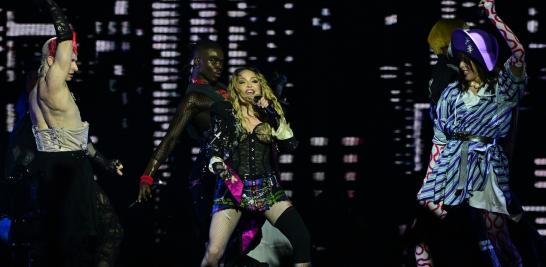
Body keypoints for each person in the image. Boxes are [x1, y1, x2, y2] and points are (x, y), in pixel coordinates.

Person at [417, 0, 526, 265]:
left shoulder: (497, 87)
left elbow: (519, 54)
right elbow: (440, 138)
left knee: (495, 233)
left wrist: (493, 16)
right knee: (426, 232)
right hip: (455, 164)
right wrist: (431, 180)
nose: (463, 64)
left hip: (484, 166)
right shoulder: (450, 86)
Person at [29, 0, 122, 266]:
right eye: (71, 60)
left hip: (53, 169)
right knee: (89, 241)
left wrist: (104, 162)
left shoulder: (35, 92)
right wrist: (52, 5)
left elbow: (73, 137)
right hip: (69, 172)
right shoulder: (53, 85)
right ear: (52, 60)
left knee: (65, 244)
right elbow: (66, 36)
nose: (75, 67)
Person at [200, 67, 311, 267]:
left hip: (267, 189)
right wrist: (226, 175)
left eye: (254, 81)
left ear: (261, 86)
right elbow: (213, 150)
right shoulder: (224, 111)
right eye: (242, 82)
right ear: (236, 88)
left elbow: (292, 145)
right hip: (232, 190)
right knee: (214, 252)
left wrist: (273, 116)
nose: (249, 85)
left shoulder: (271, 113)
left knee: (302, 238)